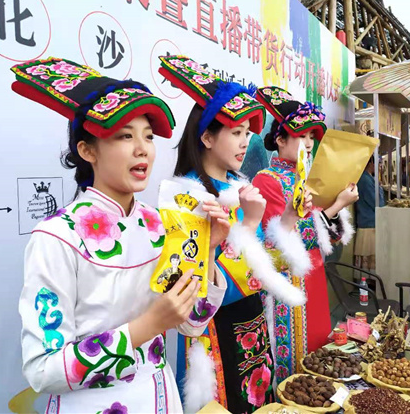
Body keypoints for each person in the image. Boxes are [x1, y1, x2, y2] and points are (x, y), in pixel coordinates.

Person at [12, 57, 231, 413]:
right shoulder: (56, 236)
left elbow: (192, 323)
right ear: (87, 150)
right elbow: (42, 369)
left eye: (148, 136)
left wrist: (206, 250)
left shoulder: (160, 224)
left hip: (160, 398)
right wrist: (148, 326)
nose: (142, 148)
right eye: (125, 136)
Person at [158, 55, 308, 412]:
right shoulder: (185, 197)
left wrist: (289, 217)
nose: (244, 142)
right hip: (215, 331)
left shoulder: (241, 187)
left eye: (247, 133)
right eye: (236, 133)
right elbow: (198, 292)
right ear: (207, 137)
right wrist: (250, 224)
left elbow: (264, 268)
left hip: (253, 322)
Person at [251, 87, 358, 379]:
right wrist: (336, 205)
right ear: (280, 139)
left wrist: (337, 203)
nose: (309, 143)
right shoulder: (266, 180)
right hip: (288, 279)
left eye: (312, 136)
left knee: (317, 353)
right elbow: (288, 239)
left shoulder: (308, 179)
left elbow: (330, 238)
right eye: (301, 135)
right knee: (294, 360)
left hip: (315, 275)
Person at [354, 154, 385, 288]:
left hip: (368, 222)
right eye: (378, 163)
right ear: (371, 163)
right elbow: (377, 203)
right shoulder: (365, 180)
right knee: (369, 261)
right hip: (368, 224)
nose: (379, 166)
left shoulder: (367, 178)